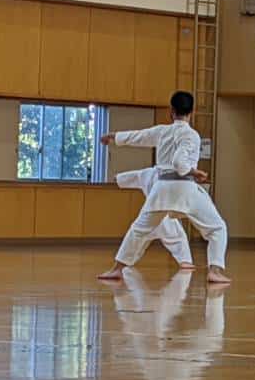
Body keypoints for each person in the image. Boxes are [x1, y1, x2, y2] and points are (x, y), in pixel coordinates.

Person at [98, 92, 231, 284]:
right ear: (192, 111)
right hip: (185, 188)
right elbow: (179, 162)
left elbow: (139, 137)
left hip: (161, 188)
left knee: (139, 229)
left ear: (171, 111)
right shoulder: (191, 135)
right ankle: (215, 271)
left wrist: (114, 136)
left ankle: (117, 269)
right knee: (217, 228)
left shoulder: (162, 131)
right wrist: (195, 172)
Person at [116, 166, 195, 269]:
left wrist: (118, 178)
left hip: (149, 214)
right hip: (165, 215)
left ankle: (128, 262)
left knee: (138, 239)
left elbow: (128, 177)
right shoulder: (175, 173)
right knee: (178, 238)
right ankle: (185, 261)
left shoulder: (147, 173)